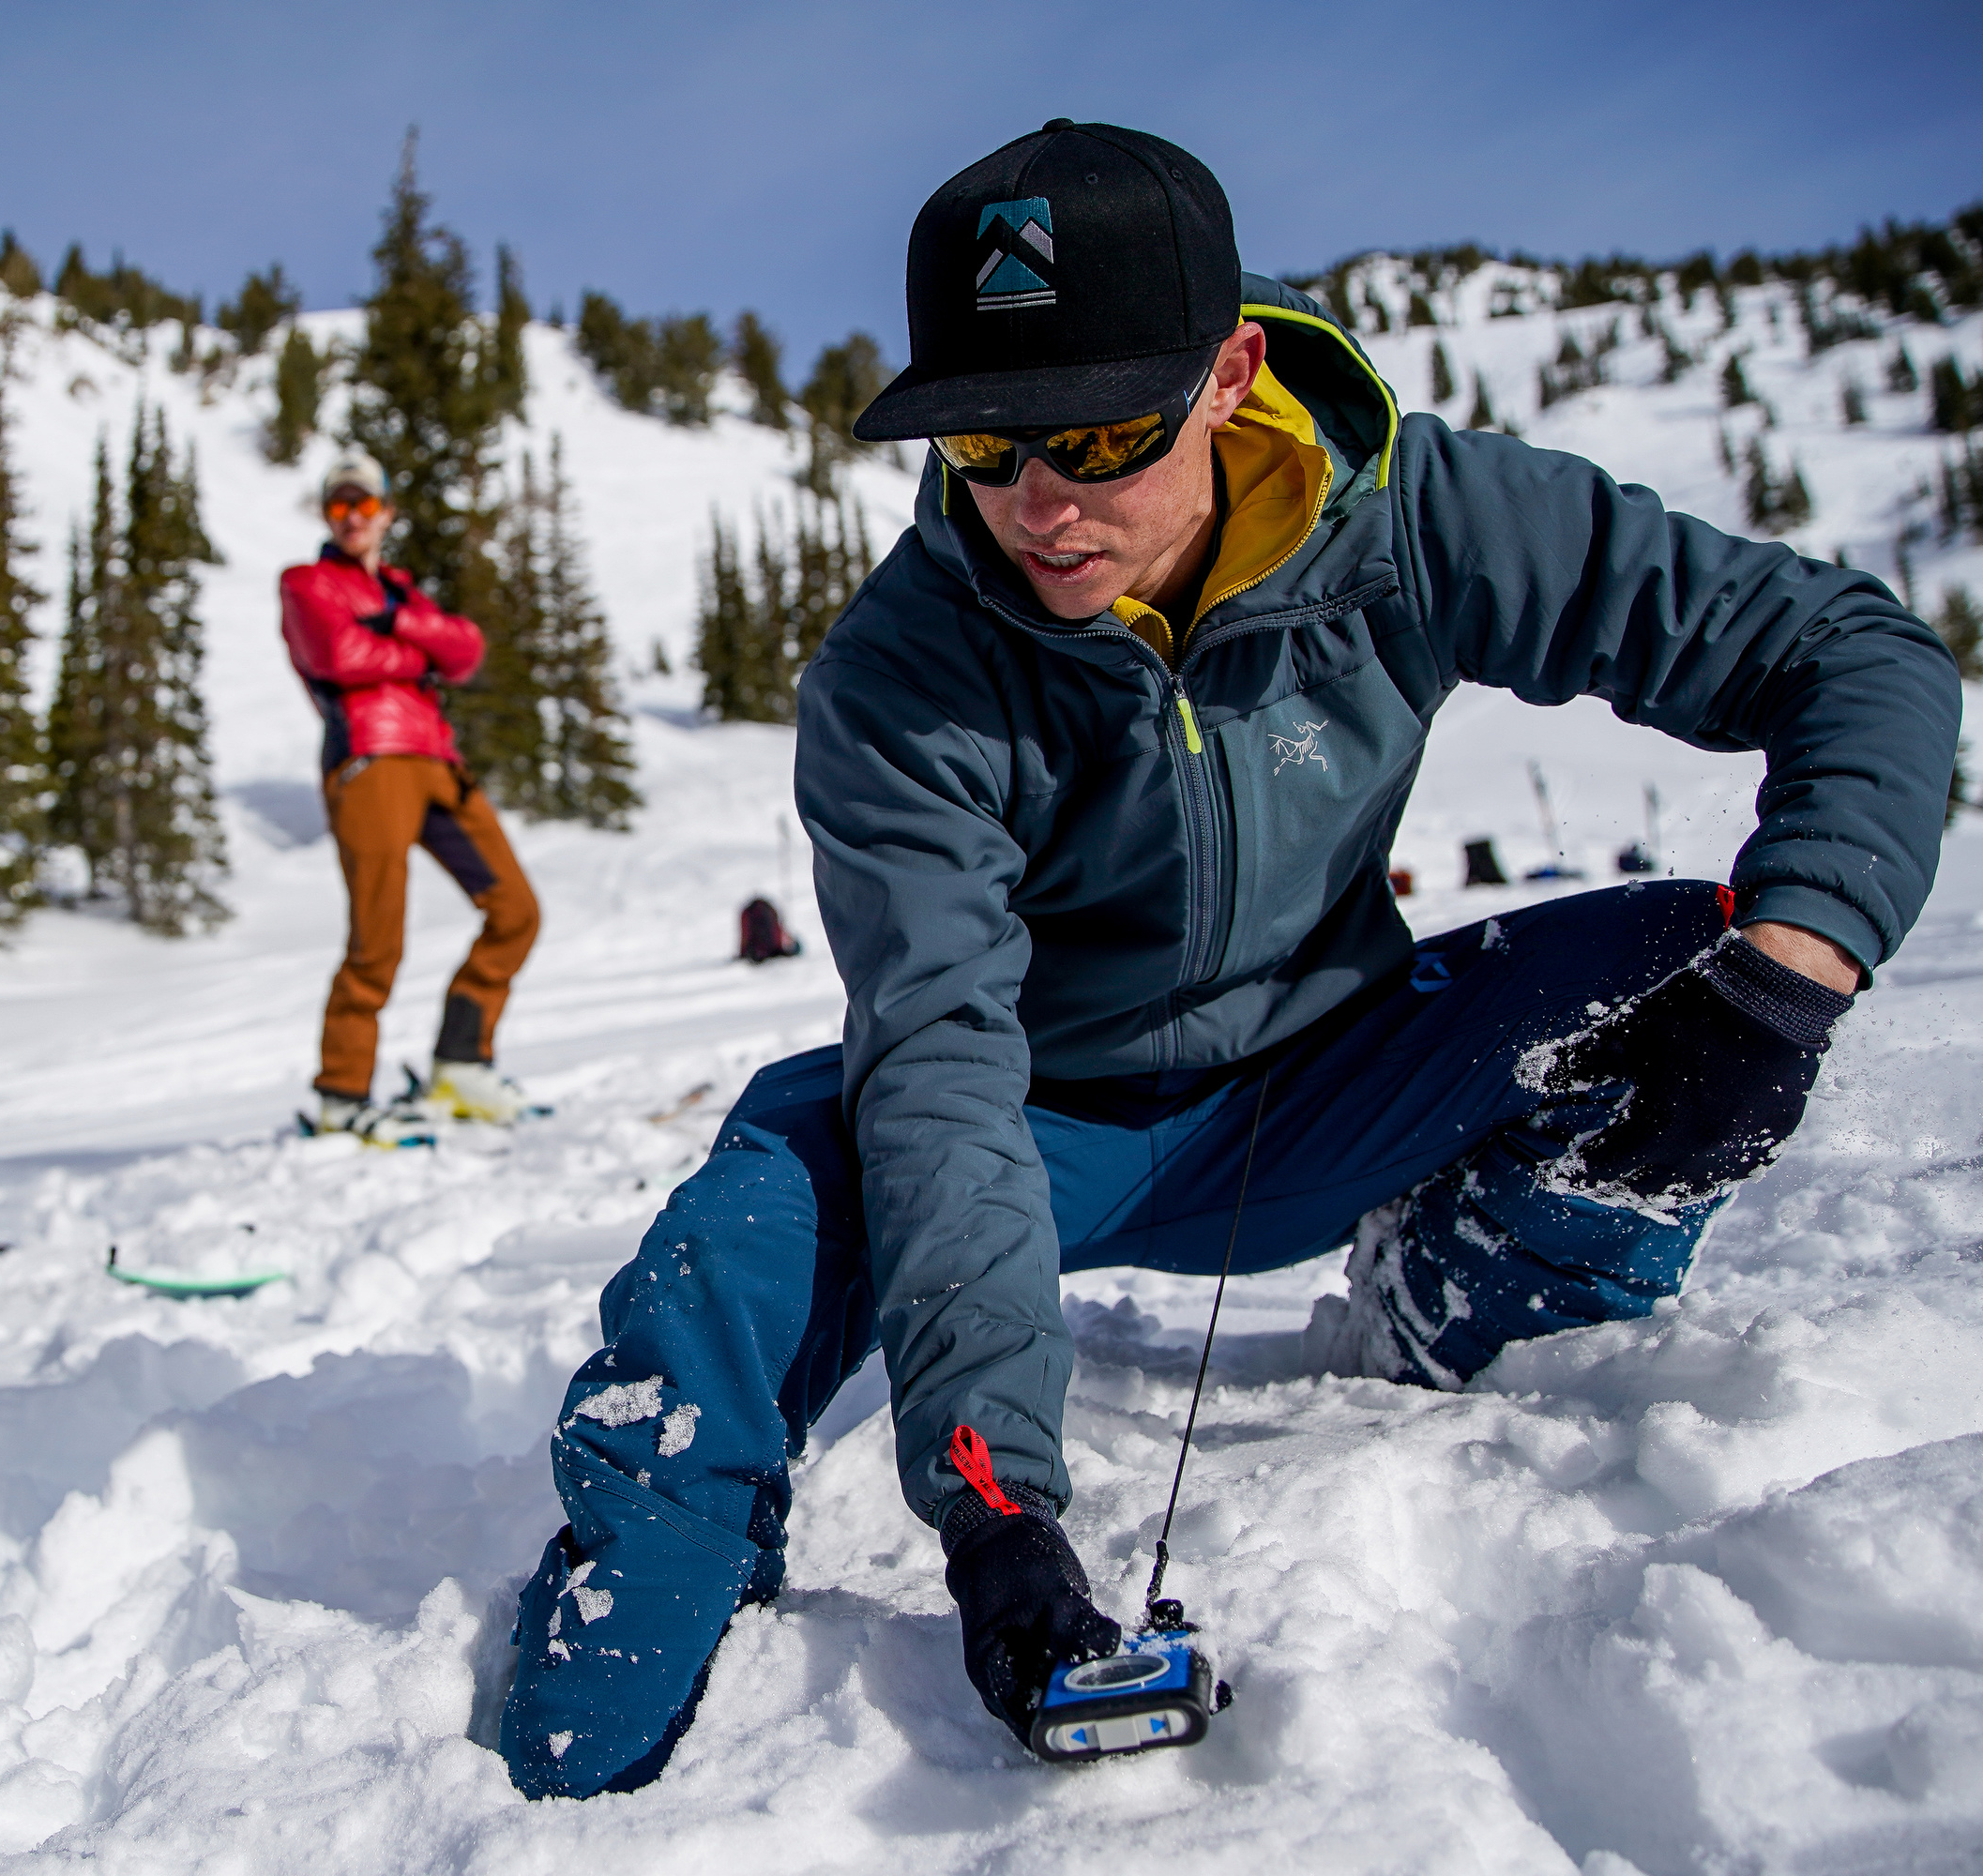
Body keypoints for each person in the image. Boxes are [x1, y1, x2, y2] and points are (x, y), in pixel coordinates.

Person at [496, 121, 1960, 1798]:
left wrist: (1792, 967)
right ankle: (599, 1735)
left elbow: (1853, 654)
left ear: (1229, 373)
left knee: (1673, 968)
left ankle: (1497, 1295)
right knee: (746, 1232)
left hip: (1347, 1079)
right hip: (1048, 1131)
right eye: (985, 440)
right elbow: (946, 1062)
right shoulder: (902, 678)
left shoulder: (1416, 518)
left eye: (1099, 436)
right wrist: (996, 1513)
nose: (1039, 508)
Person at [280, 454, 541, 1143]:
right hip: (370, 762)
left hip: (438, 765)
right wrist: (416, 645)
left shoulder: (398, 591)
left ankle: (461, 1063)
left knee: (515, 909)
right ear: (325, 515)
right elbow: (339, 656)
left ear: (386, 512)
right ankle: (341, 1095)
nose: (354, 517)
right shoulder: (307, 581)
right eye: (340, 506)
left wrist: (394, 628)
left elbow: (467, 649)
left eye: (365, 505)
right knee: (379, 939)